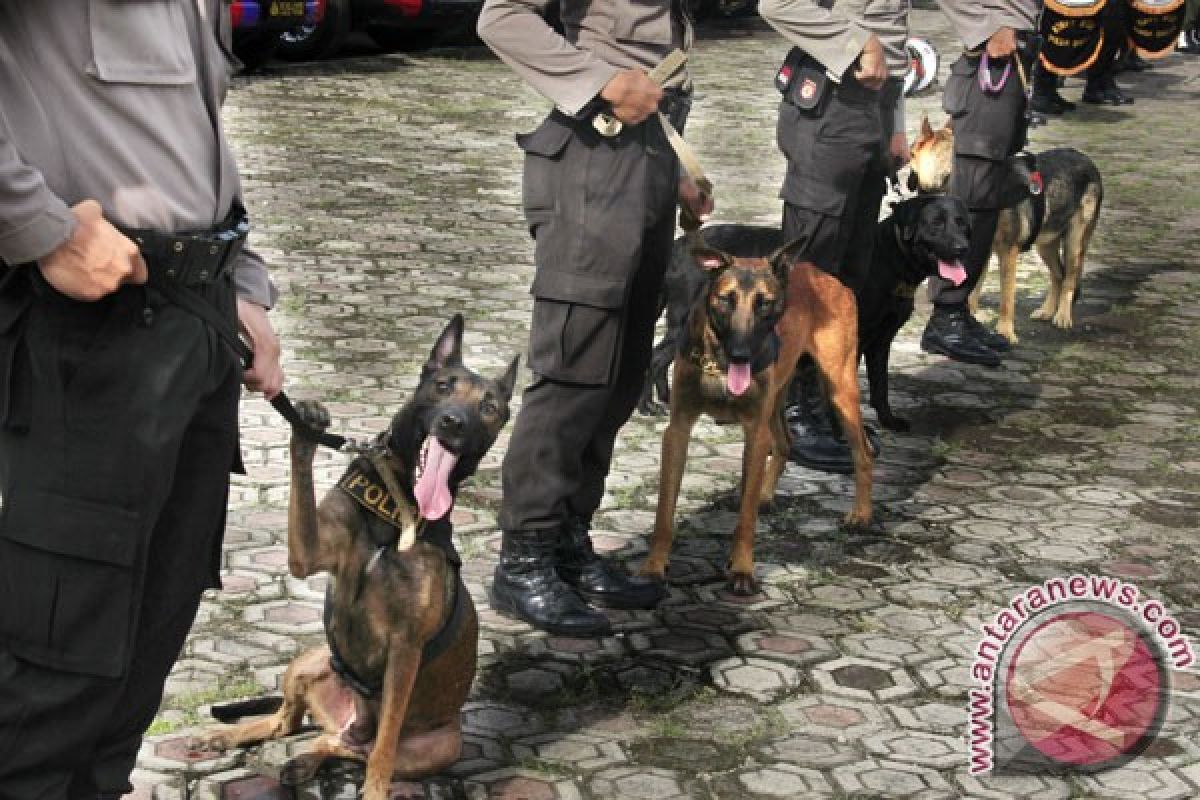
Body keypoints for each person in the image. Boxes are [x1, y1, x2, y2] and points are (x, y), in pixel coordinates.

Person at [0, 3, 283, 796]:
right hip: (88, 330)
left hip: (192, 319)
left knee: (141, 649)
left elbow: (189, 130)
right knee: (53, 670)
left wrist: (244, 283)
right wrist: (35, 224)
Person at [477, 0, 713, 637]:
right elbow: (501, 18)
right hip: (591, 164)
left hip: (648, 159)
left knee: (620, 373)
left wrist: (678, 170)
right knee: (574, 374)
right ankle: (522, 560)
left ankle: (568, 544)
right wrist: (600, 82)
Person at [755, 0, 909, 473]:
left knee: (846, 280)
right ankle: (796, 413)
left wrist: (895, 123)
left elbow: (890, 26)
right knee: (808, 279)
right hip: (831, 108)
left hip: (871, 111)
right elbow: (778, 3)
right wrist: (854, 44)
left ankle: (827, 401)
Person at [921, 1, 1040, 367]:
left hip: (1011, 61)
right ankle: (945, 313)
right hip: (989, 64)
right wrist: (987, 26)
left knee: (987, 202)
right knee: (969, 202)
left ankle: (959, 310)